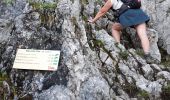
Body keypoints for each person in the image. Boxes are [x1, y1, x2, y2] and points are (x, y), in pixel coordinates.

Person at [88, 0, 159, 63]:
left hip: (127, 16)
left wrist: (93, 20)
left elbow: (102, 12)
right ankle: (147, 55)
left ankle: (118, 46)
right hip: (138, 13)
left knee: (114, 28)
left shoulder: (111, 1)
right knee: (143, 35)